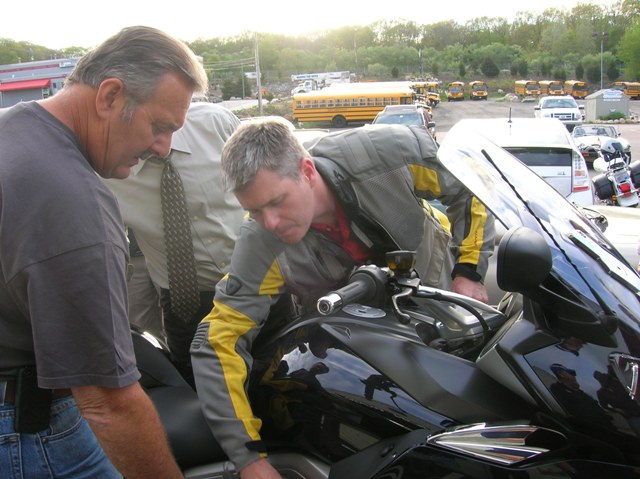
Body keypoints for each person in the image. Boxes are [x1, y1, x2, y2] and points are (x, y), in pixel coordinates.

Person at [191, 119, 495, 478]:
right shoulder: (262, 242)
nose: (269, 222)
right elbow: (217, 340)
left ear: (307, 171)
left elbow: (470, 183)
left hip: (444, 306)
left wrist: (469, 270)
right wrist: (249, 459)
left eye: (276, 202)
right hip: (366, 357)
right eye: (255, 210)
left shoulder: (387, 154)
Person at [0, 25, 208, 478]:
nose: (162, 148)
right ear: (110, 96)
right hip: (26, 431)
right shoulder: (75, 202)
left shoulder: (13, 127)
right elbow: (108, 403)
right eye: (159, 127)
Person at [105, 101, 244, 385]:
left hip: (259, 284)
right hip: (187, 304)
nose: (163, 147)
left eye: (167, 129)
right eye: (150, 134)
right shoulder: (105, 169)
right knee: (199, 387)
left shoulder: (216, 123)